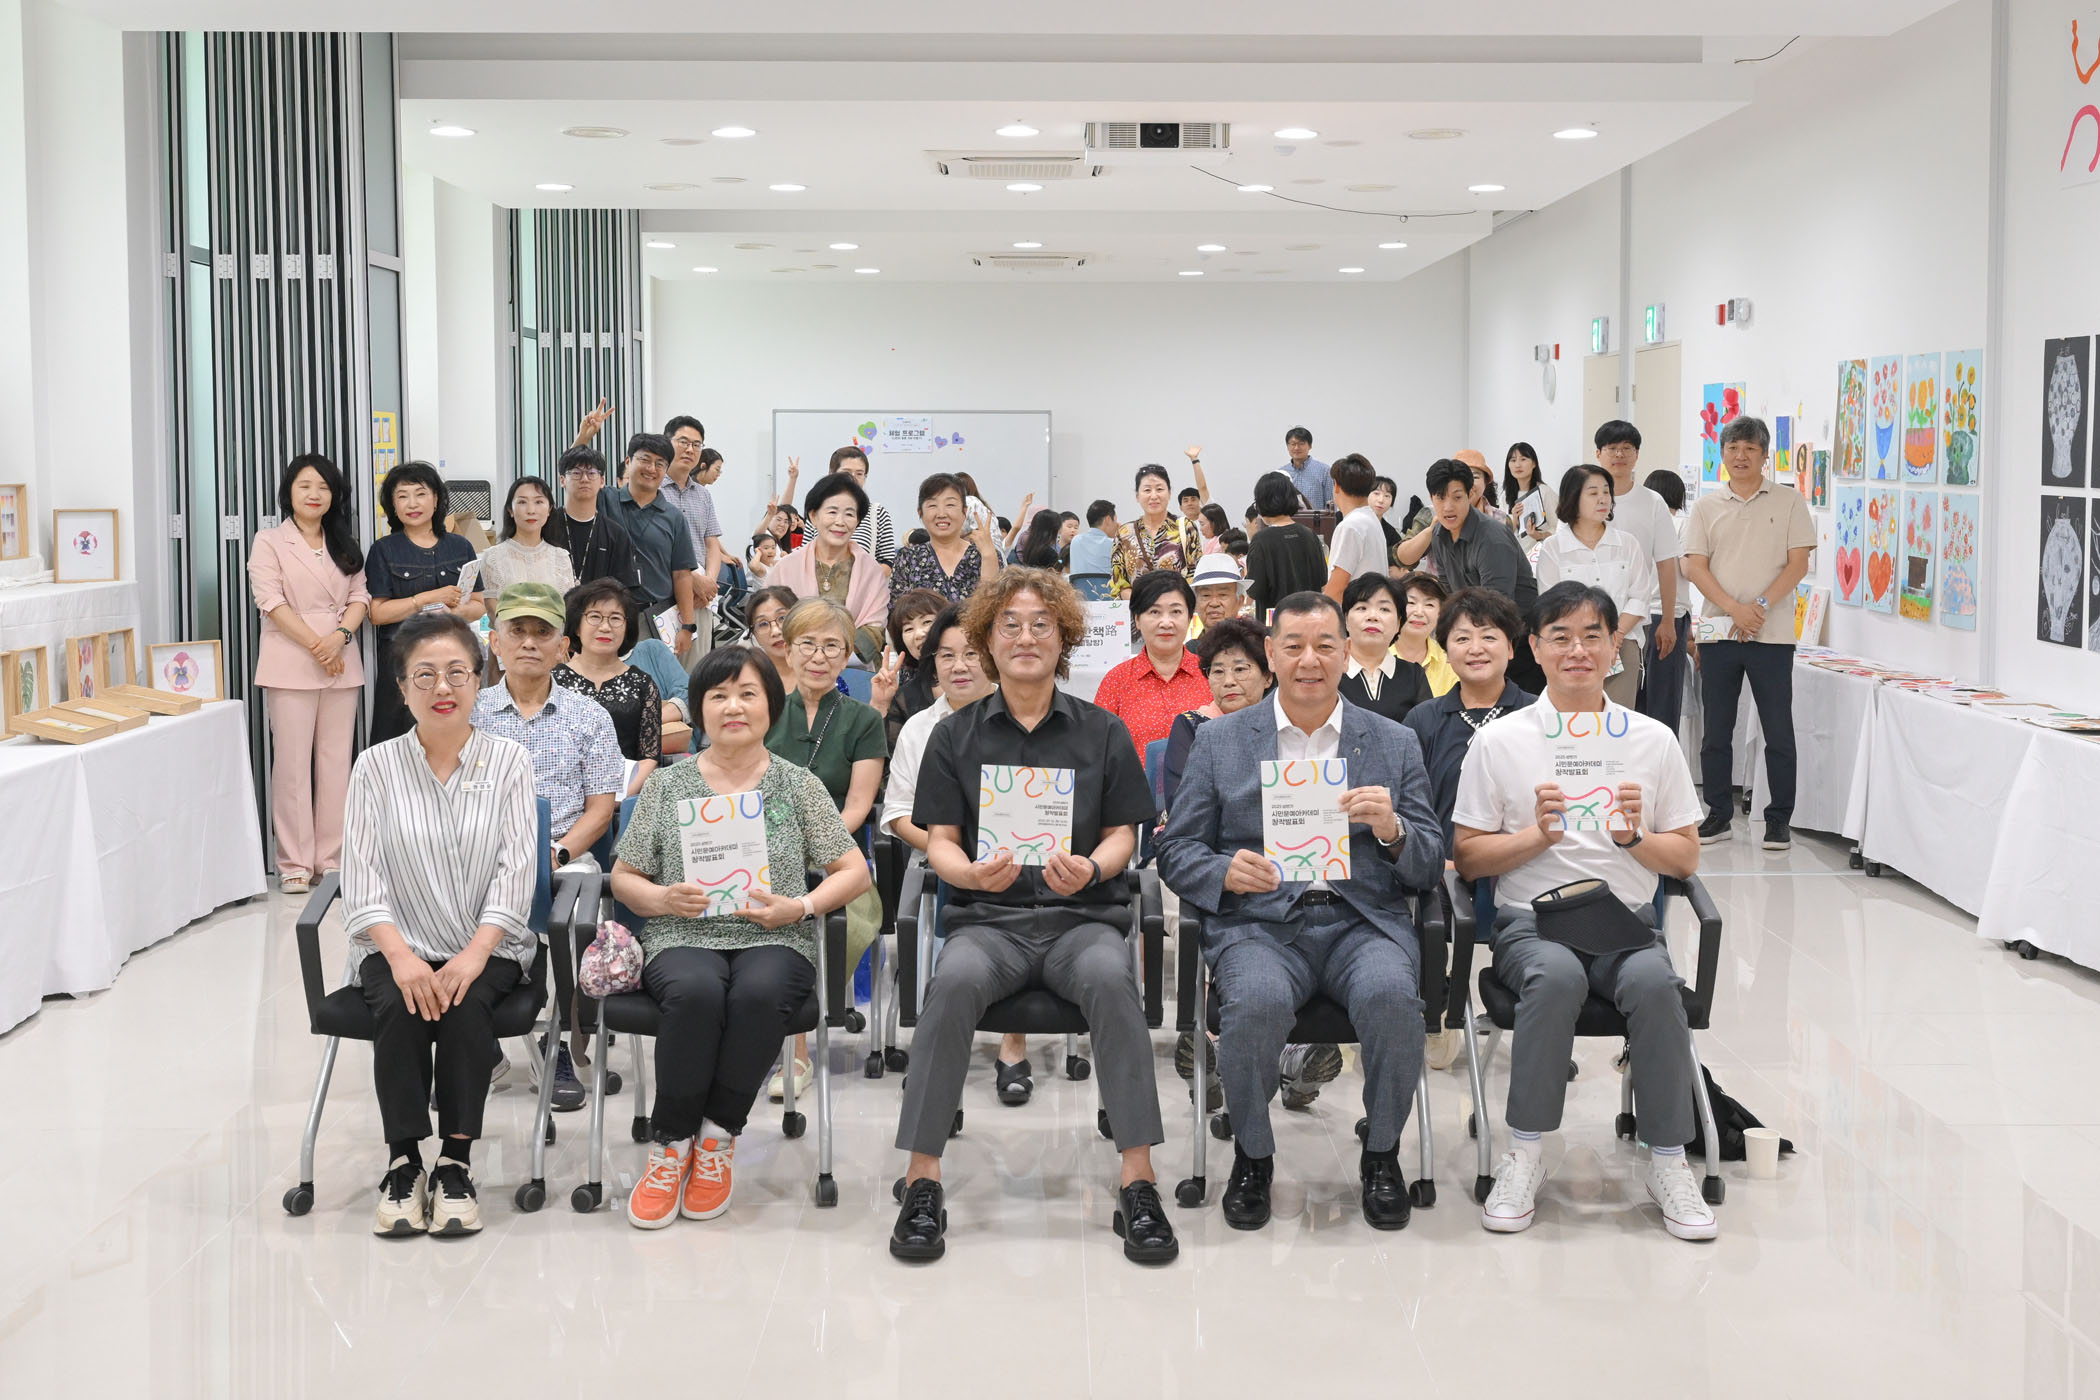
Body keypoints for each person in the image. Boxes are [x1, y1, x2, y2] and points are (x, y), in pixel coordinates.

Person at [888, 568, 1174, 1265]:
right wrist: (964, 874)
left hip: (1083, 921)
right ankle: (922, 1180)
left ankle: (1138, 1180)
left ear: (1064, 637)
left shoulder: (1103, 731)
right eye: (1009, 625)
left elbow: (1124, 834)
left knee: (1113, 981)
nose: (1025, 637)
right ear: (987, 640)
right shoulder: (953, 737)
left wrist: (1095, 868)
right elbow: (941, 843)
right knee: (950, 985)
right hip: (989, 922)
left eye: (1041, 624)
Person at [1158, 591, 1442, 1231]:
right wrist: (1222, 871)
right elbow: (1176, 849)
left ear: (1346, 651)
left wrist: (1394, 831)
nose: (1309, 660)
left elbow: (1428, 862)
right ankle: (1254, 1156)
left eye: (1324, 646)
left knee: (1394, 999)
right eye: (1293, 646)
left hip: (1362, 922)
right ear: (1270, 653)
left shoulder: (1393, 741)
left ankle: (1381, 1154)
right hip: (1258, 924)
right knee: (1254, 1005)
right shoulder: (1221, 740)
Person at [1452, 582, 1711, 1241]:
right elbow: (1469, 858)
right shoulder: (1500, 741)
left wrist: (1634, 838)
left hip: (1624, 922)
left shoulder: (1651, 740)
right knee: (1556, 977)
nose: (1577, 650)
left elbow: (1685, 858)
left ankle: (1669, 1160)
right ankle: (1525, 1154)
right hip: (1531, 921)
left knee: (1655, 983)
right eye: (1560, 637)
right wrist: (1536, 838)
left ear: (1613, 647)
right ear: (1534, 649)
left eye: (1593, 635)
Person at [615, 646, 870, 1229]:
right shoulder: (667, 785)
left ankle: (716, 1137)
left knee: (758, 994)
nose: (733, 707)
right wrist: (662, 899)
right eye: (718, 695)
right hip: (683, 932)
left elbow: (852, 871)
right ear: (699, 710)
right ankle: (670, 1144)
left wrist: (800, 907)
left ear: (770, 707)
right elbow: (625, 877)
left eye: (747, 694)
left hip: (776, 935)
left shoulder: (797, 784)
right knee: (697, 993)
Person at [344, 611, 537, 1238]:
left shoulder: (509, 761)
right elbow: (361, 873)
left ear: (480, 680)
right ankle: (403, 1162)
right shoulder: (374, 766)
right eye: (423, 675)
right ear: (402, 689)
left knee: (463, 1004)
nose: (442, 687)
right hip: (396, 941)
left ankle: (455, 1162)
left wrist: (475, 954)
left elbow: (517, 869)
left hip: (489, 944)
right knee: (401, 1003)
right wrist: (401, 957)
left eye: (457, 672)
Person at [473, 582, 622, 1107]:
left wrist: (555, 852)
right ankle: (480, 1044)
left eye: (543, 632)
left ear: (563, 647)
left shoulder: (590, 716)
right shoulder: (469, 712)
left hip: (562, 855)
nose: (530, 642)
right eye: (517, 631)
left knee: (575, 913)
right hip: (479, 855)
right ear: (495, 642)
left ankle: (556, 1041)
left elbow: (600, 810)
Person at [880, 606, 1035, 1099]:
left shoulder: (1025, 718)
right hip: (942, 866)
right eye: (946, 656)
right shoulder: (919, 729)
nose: (959, 666)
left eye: (970, 653)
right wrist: (955, 856)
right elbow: (898, 814)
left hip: (1019, 860)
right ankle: (939, 1050)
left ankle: (1013, 1043)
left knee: (1025, 896)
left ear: (992, 655)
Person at [766, 598, 894, 1097]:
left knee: (797, 922)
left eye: (831, 647)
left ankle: (795, 1053)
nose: (818, 657)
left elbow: (859, 806)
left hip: (837, 862)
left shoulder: (863, 720)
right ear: (787, 650)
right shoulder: (764, 711)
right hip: (764, 854)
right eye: (807, 645)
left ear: (846, 657)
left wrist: (812, 849)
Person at [1680, 415, 1815, 852]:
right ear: (1722, 454)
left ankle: (1778, 820)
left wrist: (1758, 607)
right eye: (1733, 448)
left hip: (1771, 634)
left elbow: (1798, 564)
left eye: (1750, 449)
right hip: (1718, 631)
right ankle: (1718, 813)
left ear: (1764, 455)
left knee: (1779, 730)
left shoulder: (1789, 501)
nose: (1741, 456)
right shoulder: (1705, 507)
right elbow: (1693, 566)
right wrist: (1735, 609)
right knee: (1716, 730)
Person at [250, 453, 369, 894]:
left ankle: (331, 859)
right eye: (305, 485)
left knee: (337, 763)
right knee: (292, 765)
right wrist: (320, 646)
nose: (314, 494)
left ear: (334, 495)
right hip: (291, 661)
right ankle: (294, 862)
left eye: (323, 486)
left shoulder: (344, 542)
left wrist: (339, 637)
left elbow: (360, 596)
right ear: (289, 493)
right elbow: (271, 601)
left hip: (341, 659)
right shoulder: (269, 541)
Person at [364, 461, 478, 744]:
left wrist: (454, 612)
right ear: (392, 505)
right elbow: (377, 613)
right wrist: (428, 598)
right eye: (402, 496)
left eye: (420, 493)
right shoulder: (384, 550)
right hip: (402, 659)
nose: (412, 503)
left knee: (451, 732)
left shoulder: (460, 546)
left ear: (436, 499)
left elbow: (478, 605)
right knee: (397, 738)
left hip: (452, 656)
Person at [1531, 465, 1655, 708]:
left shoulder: (1627, 544)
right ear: (1573, 498)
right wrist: (1587, 638)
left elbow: (1640, 596)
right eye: (1593, 493)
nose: (1603, 499)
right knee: (1572, 720)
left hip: (1621, 646)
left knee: (1616, 721)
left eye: (1606, 492)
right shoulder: (1554, 548)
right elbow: (1551, 604)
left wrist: (1614, 637)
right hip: (1570, 649)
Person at [1593, 421, 1687, 735]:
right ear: (1598, 454)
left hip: (1638, 619)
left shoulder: (1653, 502)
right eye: (1612, 449)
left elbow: (1666, 565)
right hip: (1589, 622)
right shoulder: (1585, 498)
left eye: (1627, 449)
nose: (1619, 455)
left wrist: (1669, 620)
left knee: (1636, 710)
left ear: (1637, 454)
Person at [1424, 457, 1541, 691]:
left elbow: (1498, 605)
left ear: (1471, 495)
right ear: (1431, 499)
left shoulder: (1492, 537)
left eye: (1457, 497)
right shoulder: (1439, 534)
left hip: (1517, 644)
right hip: (1479, 637)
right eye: (1440, 498)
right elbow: (1448, 594)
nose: (1448, 507)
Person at [553, 578, 662, 798]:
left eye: (615, 618)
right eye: (594, 617)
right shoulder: (553, 681)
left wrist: (618, 798)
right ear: (577, 626)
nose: (605, 627)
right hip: (562, 796)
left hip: (624, 797)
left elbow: (649, 757)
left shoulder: (642, 684)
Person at [1090, 568, 1212, 759]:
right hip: (1134, 779)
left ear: (1189, 617)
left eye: (1176, 612)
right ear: (1137, 619)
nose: (1166, 622)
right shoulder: (1116, 680)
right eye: (1154, 612)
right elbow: (1096, 747)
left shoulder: (1210, 674)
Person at [770, 473, 890, 664]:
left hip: (853, 668)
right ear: (813, 516)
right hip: (793, 666)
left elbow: (875, 627)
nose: (840, 522)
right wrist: (806, 654)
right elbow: (772, 620)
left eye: (849, 514)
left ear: (857, 521)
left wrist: (835, 656)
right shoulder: (785, 568)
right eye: (832, 512)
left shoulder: (871, 571)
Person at [604, 433, 701, 661]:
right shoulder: (606, 499)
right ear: (629, 461)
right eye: (645, 460)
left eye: (660, 464)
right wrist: (583, 437)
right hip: (608, 616)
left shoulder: (674, 517)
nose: (651, 469)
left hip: (654, 618)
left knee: (653, 679)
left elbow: (682, 574)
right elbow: (575, 478)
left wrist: (687, 625)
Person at [659, 416, 727, 650]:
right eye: (683, 442)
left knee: (699, 668)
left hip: (700, 600)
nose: (690, 449)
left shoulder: (703, 495)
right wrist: (692, 580)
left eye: (696, 445)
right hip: (664, 598)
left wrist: (709, 583)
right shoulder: (652, 490)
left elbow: (711, 543)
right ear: (667, 443)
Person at [888, 472, 1002, 606]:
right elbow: (897, 611)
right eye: (932, 505)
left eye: (950, 505)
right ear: (920, 513)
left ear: (964, 511)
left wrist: (988, 558)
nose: (941, 514)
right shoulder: (908, 558)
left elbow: (996, 609)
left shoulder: (984, 556)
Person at [1641, 469, 1700, 716]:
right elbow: (1688, 569)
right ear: (1679, 495)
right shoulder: (1682, 524)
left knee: (1638, 699)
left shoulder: (1641, 525)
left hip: (1637, 617)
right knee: (1664, 701)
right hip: (1668, 618)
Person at [1338, 573, 1432, 723]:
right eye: (1362, 608)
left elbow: (1426, 730)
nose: (1373, 616)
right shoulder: (1331, 672)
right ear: (1346, 619)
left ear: (1399, 623)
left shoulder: (1414, 675)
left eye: (1384, 609)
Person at [552, 447, 639, 594]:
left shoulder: (616, 534)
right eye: (576, 473)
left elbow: (623, 591)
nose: (584, 479)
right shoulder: (546, 525)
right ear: (562, 480)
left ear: (602, 481)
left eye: (591, 473)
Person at [1245, 471, 1329, 622]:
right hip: (1310, 620)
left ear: (1262, 503)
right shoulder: (1310, 534)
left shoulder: (1261, 540)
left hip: (1276, 623)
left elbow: (1254, 590)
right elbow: (1322, 580)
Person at [478, 476, 578, 601]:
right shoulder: (492, 557)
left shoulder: (561, 557)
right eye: (522, 502)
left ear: (549, 509)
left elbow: (567, 605)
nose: (531, 511)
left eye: (538, 502)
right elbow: (491, 607)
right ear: (510, 510)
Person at [1110, 464, 1201, 598]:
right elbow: (1119, 582)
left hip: (1175, 607)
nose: (1153, 496)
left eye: (1159, 489)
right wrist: (1142, 603)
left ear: (1169, 493)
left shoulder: (1186, 527)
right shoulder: (1124, 533)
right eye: (1147, 490)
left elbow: (1195, 573)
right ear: (1137, 496)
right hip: (1137, 608)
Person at [884, 587, 948, 751]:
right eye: (908, 629)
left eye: (927, 622)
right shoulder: (904, 697)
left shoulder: (984, 679)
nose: (919, 634)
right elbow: (891, 757)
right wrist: (880, 704)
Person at [1322, 453, 1386, 601]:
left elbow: (1337, 589)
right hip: (1371, 605)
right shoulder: (1371, 518)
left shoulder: (1350, 526)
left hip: (1355, 609)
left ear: (1336, 486)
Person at [830, 445, 898, 567]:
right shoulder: (818, 509)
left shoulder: (877, 513)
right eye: (846, 472)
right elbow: (805, 556)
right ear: (832, 473)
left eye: (859, 473)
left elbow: (888, 561)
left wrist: (865, 577)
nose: (853, 478)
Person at [1395, 572, 1459, 696]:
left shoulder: (1450, 661)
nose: (1419, 612)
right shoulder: (1377, 653)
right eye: (1411, 603)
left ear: (1440, 613)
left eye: (1429, 604)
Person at [742, 584, 799, 685]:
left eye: (782, 618)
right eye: (763, 624)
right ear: (754, 634)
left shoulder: (825, 669)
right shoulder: (749, 682)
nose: (775, 632)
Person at [1188, 551, 1250, 638]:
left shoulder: (1254, 644)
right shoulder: (1186, 646)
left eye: (1223, 595)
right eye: (1206, 595)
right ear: (1195, 603)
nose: (1214, 603)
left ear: (1240, 601)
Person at [1503, 443, 1552, 543]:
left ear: (1534, 463)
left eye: (1523, 459)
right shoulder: (1505, 496)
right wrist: (1514, 521)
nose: (1517, 465)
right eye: (1513, 460)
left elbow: (1558, 529)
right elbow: (1501, 534)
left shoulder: (1544, 492)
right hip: (1513, 551)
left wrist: (1539, 536)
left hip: (1540, 551)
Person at [1280, 425, 1332, 513]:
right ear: (1287, 446)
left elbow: (1331, 504)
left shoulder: (1324, 471)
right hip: (1289, 520)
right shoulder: (1282, 473)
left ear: (1310, 446)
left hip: (1317, 520)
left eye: (1301, 443)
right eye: (1293, 444)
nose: (1296, 448)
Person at [1069, 500, 1119, 579]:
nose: (1116, 525)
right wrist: (1121, 534)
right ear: (1108, 520)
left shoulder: (1076, 540)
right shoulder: (1113, 544)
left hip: (1079, 587)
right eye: (1115, 521)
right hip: (1106, 587)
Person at [1369, 474, 1404, 562]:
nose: (1381, 500)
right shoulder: (1344, 519)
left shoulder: (1391, 534)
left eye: (1387, 496)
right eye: (1376, 493)